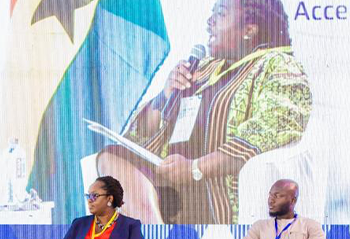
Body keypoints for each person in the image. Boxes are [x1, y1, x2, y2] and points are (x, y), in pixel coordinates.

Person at [98, 0, 311, 225]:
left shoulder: (279, 66)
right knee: (112, 158)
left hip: (216, 194)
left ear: (249, 29)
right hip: (169, 185)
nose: (210, 22)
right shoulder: (206, 67)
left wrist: (194, 169)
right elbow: (140, 135)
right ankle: (155, 236)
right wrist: (165, 95)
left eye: (221, 14)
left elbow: (269, 132)